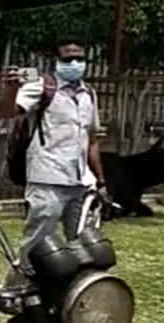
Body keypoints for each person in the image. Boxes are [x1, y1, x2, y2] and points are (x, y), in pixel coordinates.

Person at [8, 36, 108, 280]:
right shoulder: (42, 86)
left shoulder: (89, 94)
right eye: (68, 58)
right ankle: (14, 286)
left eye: (79, 58)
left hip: (80, 181)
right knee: (37, 239)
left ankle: (72, 291)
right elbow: (8, 112)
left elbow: (91, 139)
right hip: (47, 178)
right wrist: (10, 88)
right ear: (57, 60)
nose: (74, 62)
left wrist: (101, 181)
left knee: (81, 242)